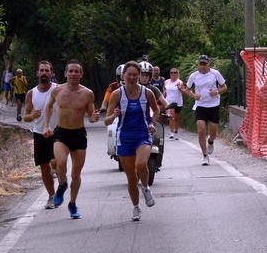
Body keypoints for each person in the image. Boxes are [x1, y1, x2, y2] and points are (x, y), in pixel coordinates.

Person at [43, 59, 100, 219]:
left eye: (77, 71)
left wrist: (95, 117)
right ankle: (62, 185)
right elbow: (49, 106)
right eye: (71, 71)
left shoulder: (87, 94)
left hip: (78, 135)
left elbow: (91, 117)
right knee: (60, 163)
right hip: (61, 133)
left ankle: (72, 204)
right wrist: (46, 126)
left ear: (81, 74)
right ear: (65, 73)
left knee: (76, 174)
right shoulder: (57, 91)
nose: (73, 74)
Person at [104, 61, 159, 222]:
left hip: (142, 135)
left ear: (140, 76)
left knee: (141, 165)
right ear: (123, 76)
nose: (133, 77)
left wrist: (152, 123)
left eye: (136, 74)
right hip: (124, 138)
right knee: (131, 178)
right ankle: (136, 207)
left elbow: (156, 110)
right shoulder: (117, 94)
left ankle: (146, 188)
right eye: (130, 74)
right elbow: (106, 121)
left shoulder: (147, 92)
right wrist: (114, 115)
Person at [23, 61, 59, 209]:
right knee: (44, 167)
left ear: (51, 73)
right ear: (37, 73)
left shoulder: (58, 90)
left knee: (54, 162)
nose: (44, 73)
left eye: (47, 71)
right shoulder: (31, 93)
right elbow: (25, 116)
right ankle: (52, 196)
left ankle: (58, 171)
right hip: (39, 133)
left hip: (57, 131)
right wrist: (32, 116)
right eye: (42, 71)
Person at [182, 55, 227, 166]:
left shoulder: (215, 74)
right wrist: (194, 96)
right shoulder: (194, 76)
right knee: (201, 130)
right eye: (200, 64)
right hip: (200, 105)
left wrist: (216, 92)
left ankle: (210, 141)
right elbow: (187, 90)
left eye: (204, 64)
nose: (202, 66)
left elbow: (224, 87)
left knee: (213, 133)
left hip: (213, 105)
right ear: (198, 64)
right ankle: (205, 155)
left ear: (208, 64)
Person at [163, 68, 185, 140]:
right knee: (171, 116)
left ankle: (176, 132)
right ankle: (172, 132)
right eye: (171, 72)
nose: (173, 74)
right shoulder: (166, 82)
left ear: (177, 74)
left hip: (178, 102)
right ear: (170, 74)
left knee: (177, 118)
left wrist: (180, 88)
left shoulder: (180, 82)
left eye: (175, 72)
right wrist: (164, 94)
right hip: (169, 101)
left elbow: (184, 92)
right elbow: (164, 90)